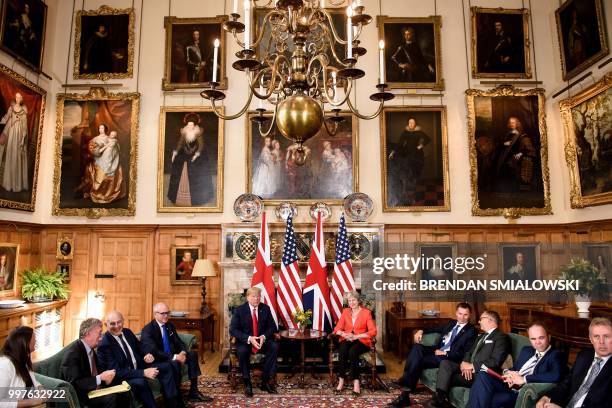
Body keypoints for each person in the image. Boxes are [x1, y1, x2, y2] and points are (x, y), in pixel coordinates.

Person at [387, 302, 477, 408]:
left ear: (469, 315)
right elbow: (434, 328)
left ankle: (405, 393)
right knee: (417, 348)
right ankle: (405, 389)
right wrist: (421, 330)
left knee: (417, 360)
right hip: (436, 351)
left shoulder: (471, 331)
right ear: (456, 313)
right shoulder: (451, 323)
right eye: (460, 313)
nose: (462, 317)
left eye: (465, 314)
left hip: (447, 358)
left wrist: (445, 353)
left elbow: (464, 352)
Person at [468, 322, 565, 408]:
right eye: (533, 339)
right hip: (508, 385)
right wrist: (508, 373)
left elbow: (556, 375)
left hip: (520, 393)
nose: (537, 342)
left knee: (486, 398)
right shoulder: (526, 350)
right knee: (482, 374)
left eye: (541, 338)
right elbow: (515, 368)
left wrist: (524, 379)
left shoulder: (555, 355)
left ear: (549, 337)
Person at [97, 311, 183, 408]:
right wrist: (143, 373)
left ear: (123, 321)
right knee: (140, 382)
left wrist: (146, 355)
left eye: (119, 322)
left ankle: (172, 404)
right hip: (123, 377)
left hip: (139, 366)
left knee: (166, 367)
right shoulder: (105, 344)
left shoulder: (127, 332)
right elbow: (117, 372)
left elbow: (140, 347)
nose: (116, 326)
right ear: (106, 325)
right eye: (112, 323)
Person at [430, 310, 510, 408]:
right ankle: (440, 400)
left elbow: (495, 361)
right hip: (468, 367)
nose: (479, 322)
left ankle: (440, 400)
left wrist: (472, 366)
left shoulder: (501, 337)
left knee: (447, 377)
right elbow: (469, 352)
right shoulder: (481, 336)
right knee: (445, 363)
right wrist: (464, 363)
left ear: (490, 320)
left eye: (481, 319)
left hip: (480, 374)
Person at [140, 303, 212, 402]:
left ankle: (194, 392)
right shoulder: (148, 330)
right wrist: (175, 357)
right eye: (163, 313)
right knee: (174, 363)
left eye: (167, 313)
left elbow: (178, 341)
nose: (166, 316)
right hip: (159, 358)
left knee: (192, 355)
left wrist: (183, 352)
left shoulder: (169, 325)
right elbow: (154, 351)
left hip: (172, 354)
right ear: (155, 314)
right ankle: (176, 396)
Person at [536, 317, 612, 408]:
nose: (601, 342)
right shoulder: (584, 356)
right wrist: (547, 397)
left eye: (606, 336)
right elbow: (566, 384)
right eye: (596, 337)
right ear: (591, 339)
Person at [60, 318, 127, 408]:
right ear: (88, 334)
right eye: (99, 333)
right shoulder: (72, 354)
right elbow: (75, 383)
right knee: (112, 398)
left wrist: (106, 378)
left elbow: (97, 372)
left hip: (96, 391)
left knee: (124, 392)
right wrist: (100, 378)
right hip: (83, 396)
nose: (101, 337)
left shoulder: (91, 349)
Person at [229, 286, 279, 397]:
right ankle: (247, 382)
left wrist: (263, 336)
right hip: (246, 340)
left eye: (258, 296)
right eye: (253, 296)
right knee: (242, 351)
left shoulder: (265, 308)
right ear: (248, 298)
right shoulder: (240, 310)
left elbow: (273, 327)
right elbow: (233, 329)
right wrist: (249, 338)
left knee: (274, 346)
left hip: (261, 340)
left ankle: (265, 381)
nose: (256, 299)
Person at [332, 291, 377, 396]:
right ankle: (341, 381)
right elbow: (337, 329)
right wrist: (344, 334)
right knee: (342, 351)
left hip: (361, 340)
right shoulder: (345, 312)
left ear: (358, 300)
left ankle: (356, 383)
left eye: (354, 300)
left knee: (353, 352)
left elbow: (373, 331)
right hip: (347, 338)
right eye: (349, 301)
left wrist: (356, 336)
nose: (351, 303)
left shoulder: (366, 313)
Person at [77, 124, 126, 204]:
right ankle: (98, 193)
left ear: (105, 129)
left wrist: (113, 151)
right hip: (99, 159)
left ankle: (108, 194)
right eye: (99, 128)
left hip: (111, 159)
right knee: (101, 173)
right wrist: (102, 149)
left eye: (102, 128)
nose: (101, 129)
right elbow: (94, 150)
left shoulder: (110, 138)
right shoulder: (95, 139)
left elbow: (116, 148)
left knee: (116, 169)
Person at [167, 115, 209, 206]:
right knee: (180, 170)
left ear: (194, 125)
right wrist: (175, 152)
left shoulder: (198, 132)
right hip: (185, 153)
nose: (190, 126)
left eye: (192, 125)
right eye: (189, 125)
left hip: (196, 154)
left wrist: (196, 155)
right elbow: (180, 143)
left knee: (195, 173)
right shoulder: (185, 131)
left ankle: (197, 198)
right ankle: (180, 197)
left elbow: (201, 145)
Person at [387, 117, 431, 206]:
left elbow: (427, 139)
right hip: (408, 156)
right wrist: (393, 151)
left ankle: (416, 195)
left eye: (413, 122)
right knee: (409, 175)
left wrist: (421, 145)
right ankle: (409, 197)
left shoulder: (419, 132)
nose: (411, 124)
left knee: (416, 174)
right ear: (408, 123)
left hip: (417, 155)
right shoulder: (405, 132)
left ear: (415, 123)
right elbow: (400, 143)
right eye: (410, 122)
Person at [0, 326, 47, 407]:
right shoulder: (5, 365)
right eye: (34, 338)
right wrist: (32, 402)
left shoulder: (22, 358)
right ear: (24, 342)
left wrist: (41, 389)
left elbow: (32, 381)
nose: (36, 340)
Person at [495, 116, 537, 193]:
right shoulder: (507, 134)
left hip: (516, 158)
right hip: (505, 157)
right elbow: (500, 145)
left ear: (517, 124)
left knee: (512, 172)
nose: (511, 124)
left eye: (513, 122)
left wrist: (519, 154)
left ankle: (514, 191)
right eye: (510, 122)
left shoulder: (522, 135)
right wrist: (504, 143)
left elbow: (528, 148)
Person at [0, 92, 29, 193]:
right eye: (16, 97)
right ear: (15, 98)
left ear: (21, 99)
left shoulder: (24, 111)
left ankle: (16, 183)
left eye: (19, 97)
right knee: (9, 155)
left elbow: (25, 126)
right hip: (11, 133)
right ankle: (8, 183)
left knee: (16, 157)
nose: (18, 99)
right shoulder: (11, 108)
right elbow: (6, 118)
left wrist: (23, 138)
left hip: (19, 134)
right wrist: (2, 121)